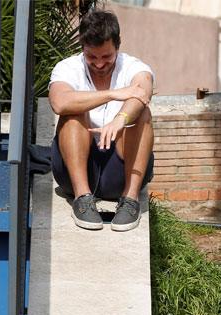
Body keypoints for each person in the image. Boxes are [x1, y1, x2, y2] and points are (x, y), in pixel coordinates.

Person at [48, 9, 155, 232]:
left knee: (141, 114)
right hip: (75, 168)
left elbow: (142, 93)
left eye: (106, 56)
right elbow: (59, 103)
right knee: (72, 111)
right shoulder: (67, 68)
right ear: (82, 48)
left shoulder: (136, 67)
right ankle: (82, 198)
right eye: (91, 57)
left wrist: (120, 119)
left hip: (119, 168)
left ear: (118, 46)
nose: (98, 64)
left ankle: (130, 199)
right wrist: (112, 94)